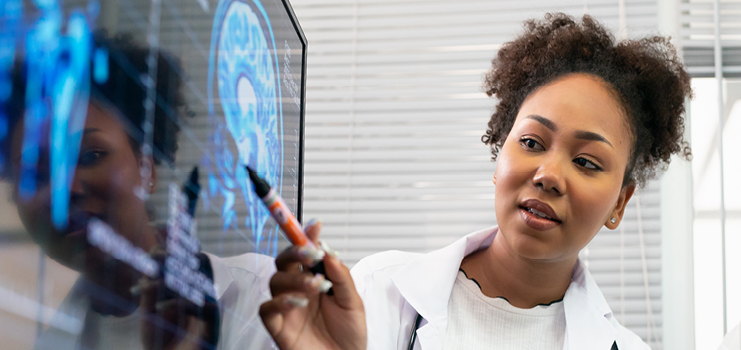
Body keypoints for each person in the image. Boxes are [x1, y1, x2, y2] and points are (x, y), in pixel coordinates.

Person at [260, 13, 691, 350]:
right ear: (499, 153)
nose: (548, 176)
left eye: (586, 161)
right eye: (531, 142)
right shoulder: (379, 292)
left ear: (620, 203)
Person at [0, 33, 275, 350]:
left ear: (146, 169)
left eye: (90, 156)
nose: (66, 192)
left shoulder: (260, 300)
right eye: (37, 176)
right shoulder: (46, 341)